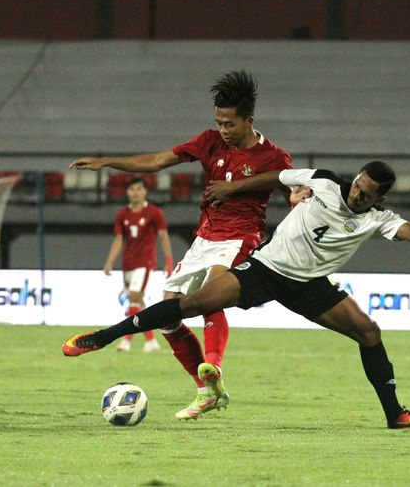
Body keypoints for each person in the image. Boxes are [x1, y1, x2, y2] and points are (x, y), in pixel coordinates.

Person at [63, 161, 410, 428]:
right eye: (358, 186)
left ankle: (395, 415)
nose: (357, 195)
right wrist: (233, 188)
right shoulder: (324, 181)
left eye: (367, 194)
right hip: (266, 270)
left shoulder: (379, 218)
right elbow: (277, 177)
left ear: (380, 198)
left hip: (312, 287)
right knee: (191, 303)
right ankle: (103, 337)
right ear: (356, 177)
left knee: (369, 332)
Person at [70, 70, 293, 419]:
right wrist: (107, 163)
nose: (223, 129)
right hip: (204, 237)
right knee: (168, 314)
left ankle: (213, 366)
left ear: (249, 120)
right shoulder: (209, 141)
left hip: (240, 236)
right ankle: (206, 390)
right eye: (218, 122)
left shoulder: (274, 157)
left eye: (230, 123)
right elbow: (158, 161)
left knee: (211, 292)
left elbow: (293, 194)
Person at [104, 177, 174, 353]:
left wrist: (168, 261)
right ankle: (151, 342)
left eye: (139, 189)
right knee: (137, 303)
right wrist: (110, 261)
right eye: (132, 189)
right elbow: (120, 239)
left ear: (145, 191)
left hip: (145, 261)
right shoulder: (123, 215)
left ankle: (126, 341)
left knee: (134, 297)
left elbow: (163, 236)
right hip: (128, 262)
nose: (135, 192)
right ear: (127, 192)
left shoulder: (154, 212)